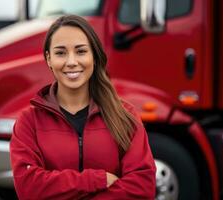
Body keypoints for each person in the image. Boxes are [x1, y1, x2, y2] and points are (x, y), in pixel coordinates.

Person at [10, 15, 156, 200]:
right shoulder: (29, 121)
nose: (71, 62)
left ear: (93, 56)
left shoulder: (125, 116)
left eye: (80, 51)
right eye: (61, 53)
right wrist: (96, 179)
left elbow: (142, 187)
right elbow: (28, 187)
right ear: (49, 59)